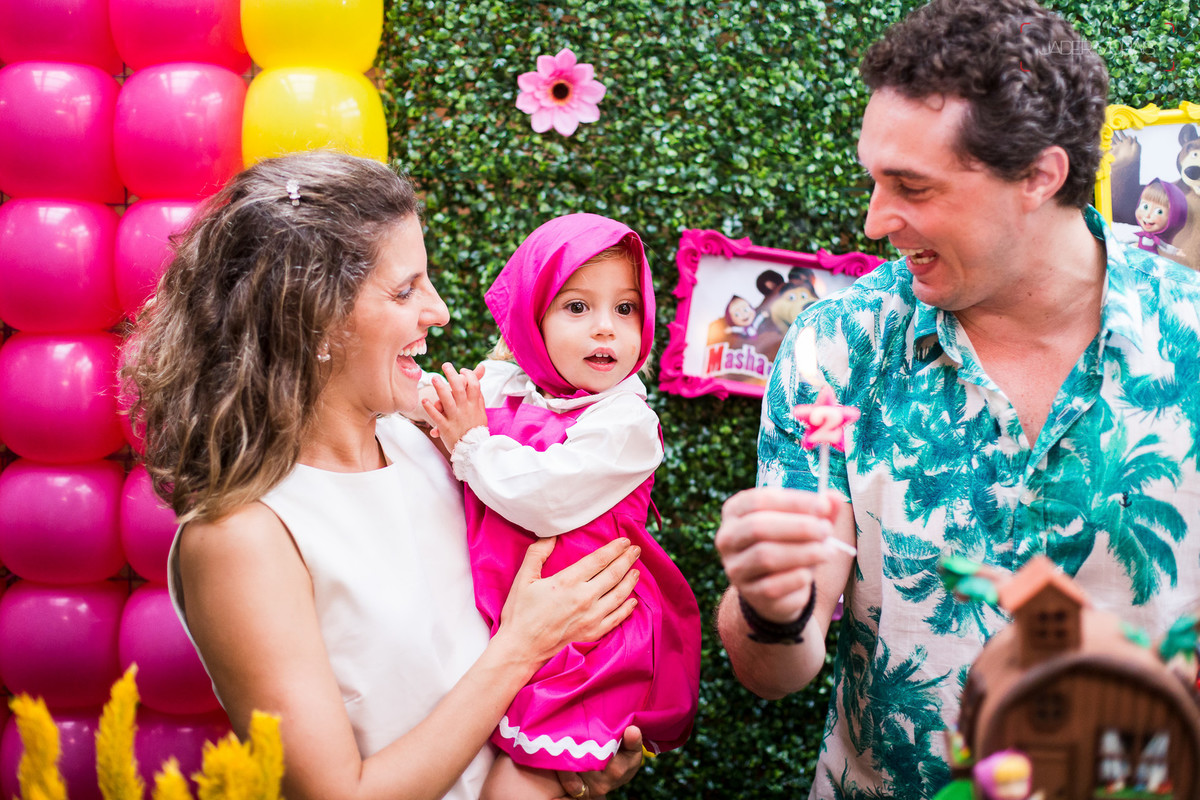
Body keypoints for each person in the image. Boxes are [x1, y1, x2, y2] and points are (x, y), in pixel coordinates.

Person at [713, 0, 1200, 797]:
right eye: (874, 179)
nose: (875, 222)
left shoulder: (1194, 344)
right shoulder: (837, 348)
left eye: (912, 186)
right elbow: (775, 673)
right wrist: (768, 607)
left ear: (1040, 176)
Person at [123, 150, 647, 800]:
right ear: (311, 316)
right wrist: (523, 646)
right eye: (405, 290)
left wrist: (574, 753)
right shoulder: (242, 536)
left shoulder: (432, 446)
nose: (440, 312)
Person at [419, 214, 701, 799]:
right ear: (531, 318)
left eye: (625, 309)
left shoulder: (625, 421)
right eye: (578, 308)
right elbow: (433, 404)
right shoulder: (507, 387)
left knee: (521, 781)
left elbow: (547, 499)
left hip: (585, 637)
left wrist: (469, 444)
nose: (606, 329)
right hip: (513, 617)